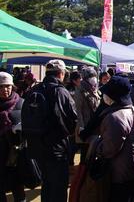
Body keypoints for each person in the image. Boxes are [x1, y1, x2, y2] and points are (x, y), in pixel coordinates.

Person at [22, 59, 77, 202]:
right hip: (56, 148)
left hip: (36, 148)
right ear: (61, 73)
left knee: (46, 184)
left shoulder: (34, 90)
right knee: (58, 188)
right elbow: (72, 120)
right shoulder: (60, 91)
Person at [96, 76, 134, 202]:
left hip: (119, 172)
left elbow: (109, 149)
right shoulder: (132, 110)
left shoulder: (116, 117)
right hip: (130, 167)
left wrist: (97, 145)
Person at [0, 72, 25, 202]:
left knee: (18, 187)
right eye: (1, 86)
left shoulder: (21, 103)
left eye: (8, 86)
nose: (5, 89)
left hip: (15, 154)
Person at [73, 67, 101, 163]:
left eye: (94, 76)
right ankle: (82, 176)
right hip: (85, 128)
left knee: (92, 155)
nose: (93, 78)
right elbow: (78, 111)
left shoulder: (95, 89)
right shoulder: (80, 91)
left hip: (94, 128)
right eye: (90, 76)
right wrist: (81, 127)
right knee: (85, 156)